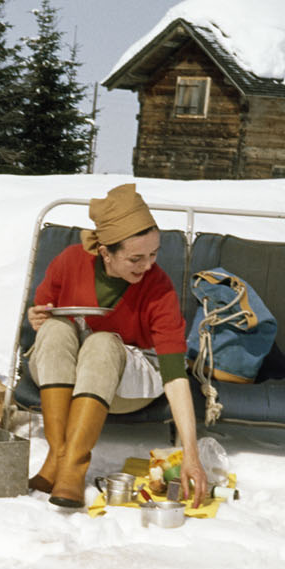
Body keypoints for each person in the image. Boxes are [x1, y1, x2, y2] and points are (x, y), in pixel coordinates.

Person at [25, 183, 208, 510]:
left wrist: (191, 455)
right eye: (136, 258)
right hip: (64, 376)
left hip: (124, 388)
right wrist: (36, 316)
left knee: (102, 342)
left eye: (154, 254)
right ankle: (58, 456)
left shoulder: (158, 287)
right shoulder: (69, 262)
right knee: (54, 329)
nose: (148, 265)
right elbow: (42, 313)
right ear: (105, 252)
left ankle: (74, 467)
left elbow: (174, 374)